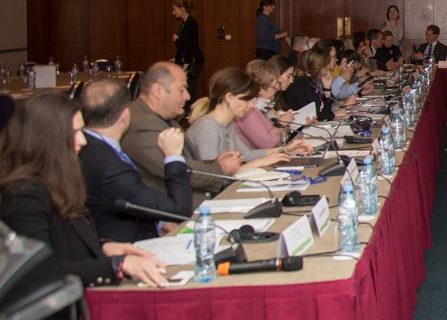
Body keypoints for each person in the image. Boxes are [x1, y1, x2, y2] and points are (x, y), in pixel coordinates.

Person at [0, 94, 169, 295]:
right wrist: (116, 265)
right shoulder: (24, 195)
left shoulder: (58, 181)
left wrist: (104, 248)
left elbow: (65, 243)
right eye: (75, 132)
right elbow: (38, 271)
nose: (83, 140)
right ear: (48, 139)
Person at [78, 79, 191, 243]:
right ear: (125, 114)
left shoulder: (88, 146)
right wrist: (173, 156)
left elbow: (125, 199)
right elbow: (179, 210)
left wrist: (158, 223)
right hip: (127, 248)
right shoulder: (111, 167)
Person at [122, 62, 236, 206]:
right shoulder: (142, 125)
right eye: (181, 90)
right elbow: (176, 169)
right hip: (175, 211)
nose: (188, 96)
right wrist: (221, 169)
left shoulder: (164, 119)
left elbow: (184, 162)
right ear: (158, 91)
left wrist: (215, 164)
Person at [187, 67, 303, 171]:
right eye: (246, 100)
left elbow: (248, 155)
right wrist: (260, 162)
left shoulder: (227, 123)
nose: (250, 105)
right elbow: (212, 174)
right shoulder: (207, 127)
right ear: (229, 97)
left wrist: (284, 150)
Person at [236, 57, 297, 150]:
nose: (276, 90)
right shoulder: (249, 111)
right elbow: (269, 143)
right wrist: (281, 123)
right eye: (274, 87)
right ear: (260, 88)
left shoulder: (263, 106)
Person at [284, 48, 339, 122]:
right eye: (326, 64)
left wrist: (327, 89)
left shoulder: (314, 81)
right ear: (319, 66)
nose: (328, 67)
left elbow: (325, 110)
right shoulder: (301, 85)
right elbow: (313, 115)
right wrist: (333, 114)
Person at [171, 0, 204, 101]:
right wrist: (177, 59)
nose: (173, 12)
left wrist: (176, 40)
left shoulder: (190, 23)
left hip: (193, 61)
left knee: (189, 88)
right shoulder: (185, 23)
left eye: (175, 9)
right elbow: (185, 46)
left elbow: (187, 44)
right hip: (190, 59)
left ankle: (192, 110)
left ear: (182, 9)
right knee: (189, 87)